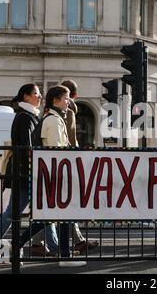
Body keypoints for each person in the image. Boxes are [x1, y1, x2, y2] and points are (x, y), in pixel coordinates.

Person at [0, 84, 58, 259]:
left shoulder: (30, 116)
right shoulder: (25, 117)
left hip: (29, 172)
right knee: (16, 213)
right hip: (26, 174)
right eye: (36, 94)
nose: (40, 97)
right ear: (26, 97)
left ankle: (55, 248)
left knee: (44, 210)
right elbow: (28, 147)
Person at [30, 80, 99, 254]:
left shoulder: (53, 115)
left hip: (56, 168)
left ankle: (57, 247)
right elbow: (63, 144)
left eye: (69, 98)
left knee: (52, 210)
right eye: (66, 98)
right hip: (59, 169)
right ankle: (63, 248)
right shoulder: (60, 117)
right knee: (59, 208)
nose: (68, 102)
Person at [39, 85, 74, 258]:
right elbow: (56, 151)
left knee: (53, 216)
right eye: (66, 99)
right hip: (55, 174)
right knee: (56, 215)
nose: (69, 102)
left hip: (56, 174)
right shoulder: (52, 121)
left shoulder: (56, 119)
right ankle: (64, 254)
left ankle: (64, 253)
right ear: (55, 101)